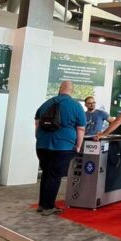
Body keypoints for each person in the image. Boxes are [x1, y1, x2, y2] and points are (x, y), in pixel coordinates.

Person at [34, 80, 86, 215]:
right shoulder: (76, 106)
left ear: (59, 89)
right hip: (63, 146)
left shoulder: (46, 103)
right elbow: (80, 129)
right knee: (55, 176)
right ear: (72, 91)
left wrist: (39, 139)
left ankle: (42, 204)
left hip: (42, 146)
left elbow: (37, 123)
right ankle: (48, 207)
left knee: (46, 173)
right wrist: (78, 146)